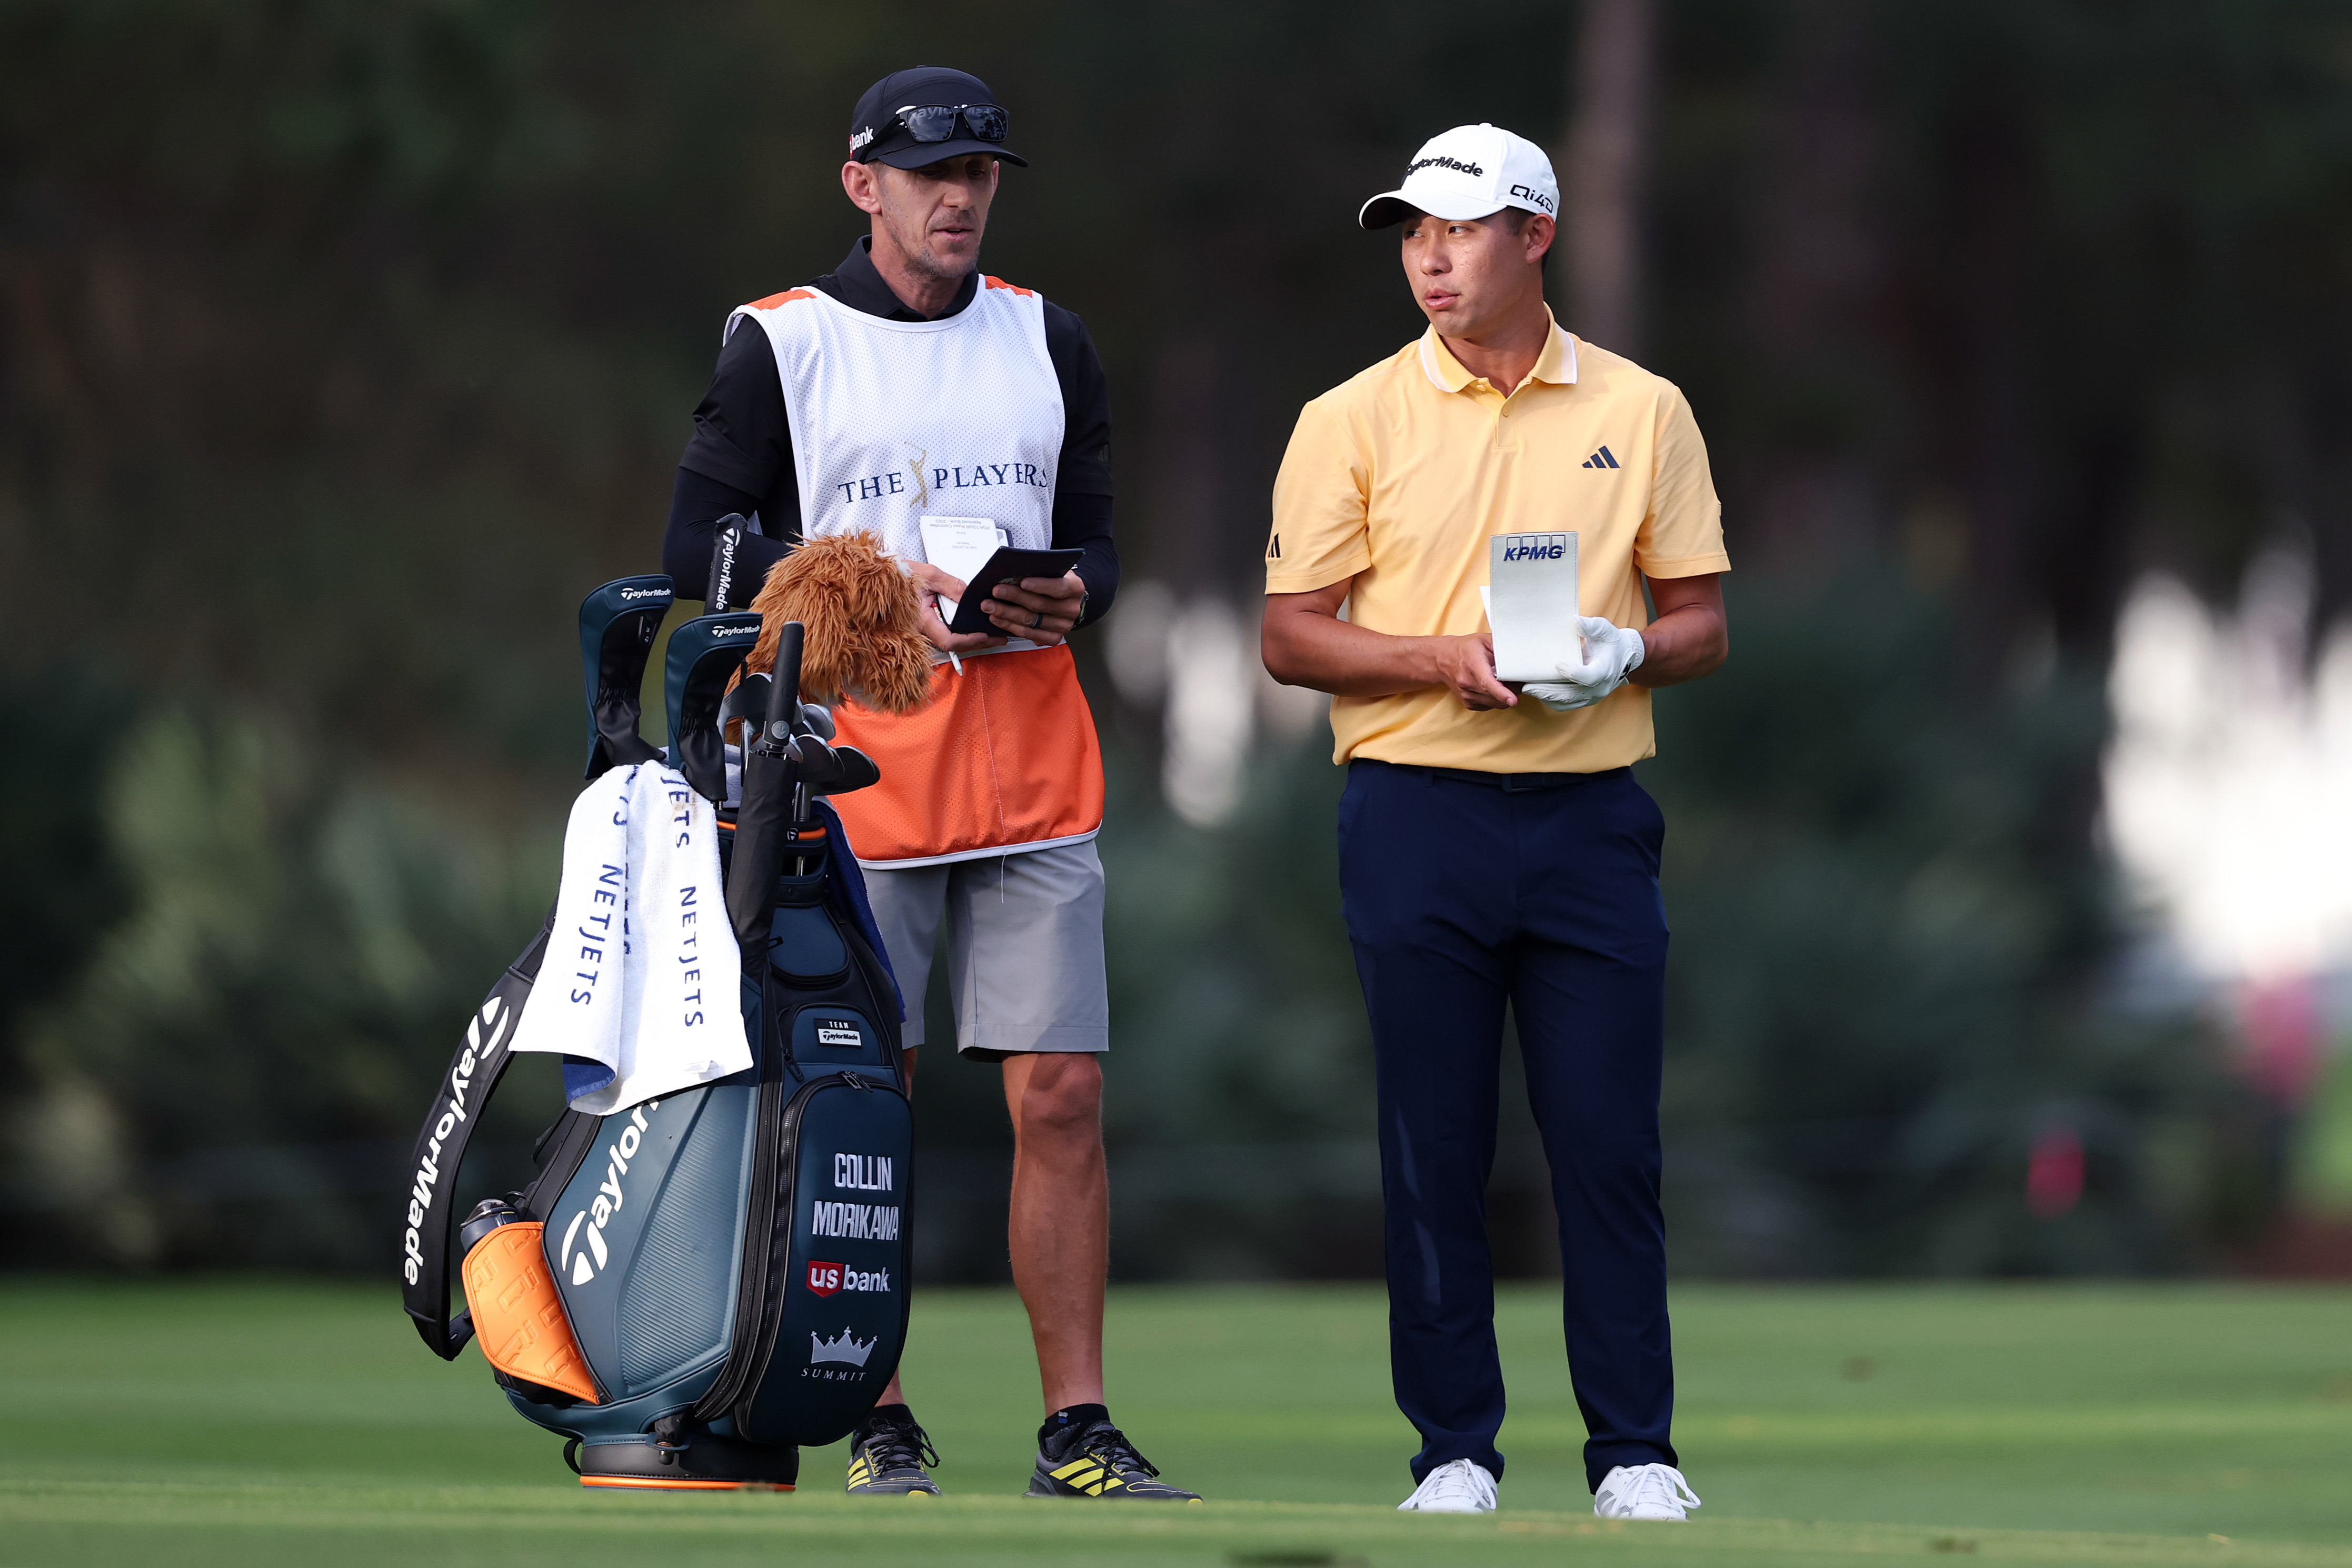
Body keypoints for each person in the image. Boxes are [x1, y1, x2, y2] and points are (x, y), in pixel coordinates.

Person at [660, 65, 1198, 1504]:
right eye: (928, 174)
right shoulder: (782, 342)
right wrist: (847, 597)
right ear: (863, 185)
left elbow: (1091, 533)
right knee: (859, 1099)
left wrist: (1073, 591)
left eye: (979, 173)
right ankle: (870, 1403)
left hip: (1031, 764)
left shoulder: (1049, 337)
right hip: (849, 774)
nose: (958, 196)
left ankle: (1074, 1426)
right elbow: (697, 551)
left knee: (1064, 1095)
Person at [1259, 123, 1730, 1522]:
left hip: (1589, 817)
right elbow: (1289, 638)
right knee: (1433, 1141)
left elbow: (1701, 618)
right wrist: (1438, 659)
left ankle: (1634, 1451)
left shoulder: (1642, 410)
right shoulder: (1346, 418)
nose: (1426, 254)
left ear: (1534, 236)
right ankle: (1453, 1449)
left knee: (1607, 1143)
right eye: (1410, 230)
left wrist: (1625, 652)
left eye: (1457, 229)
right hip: (1413, 811)